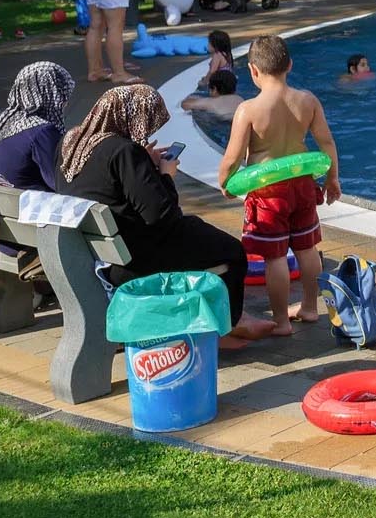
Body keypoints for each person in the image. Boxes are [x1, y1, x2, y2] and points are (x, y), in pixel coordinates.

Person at [61, 85, 275, 347]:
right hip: (135, 258)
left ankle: (218, 322)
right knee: (233, 252)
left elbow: (112, 188)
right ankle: (227, 325)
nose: (147, 132)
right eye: (147, 124)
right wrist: (165, 175)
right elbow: (162, 215)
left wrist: (145, 165)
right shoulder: (124, 152)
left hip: (98, 254)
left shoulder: (74, 145)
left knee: (201, 231)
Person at [218, 36, 341, 334]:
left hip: (268, 193)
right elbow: (326, 143)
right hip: (302, 185)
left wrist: (225, 183)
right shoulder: (308, 101)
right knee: (307, 249)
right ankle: (310, 307)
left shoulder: (249, 110)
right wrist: (332, 178)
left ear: (253, 70)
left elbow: (233, 157)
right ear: (290, 65)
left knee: (275, 258)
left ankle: (282, 321)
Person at [0, 61, 74, 191]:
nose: (66, 102)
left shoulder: (1, 123)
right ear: (52, 95)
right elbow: (60, 183)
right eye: (64, 96)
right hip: (22, 202)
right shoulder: (42, 131)